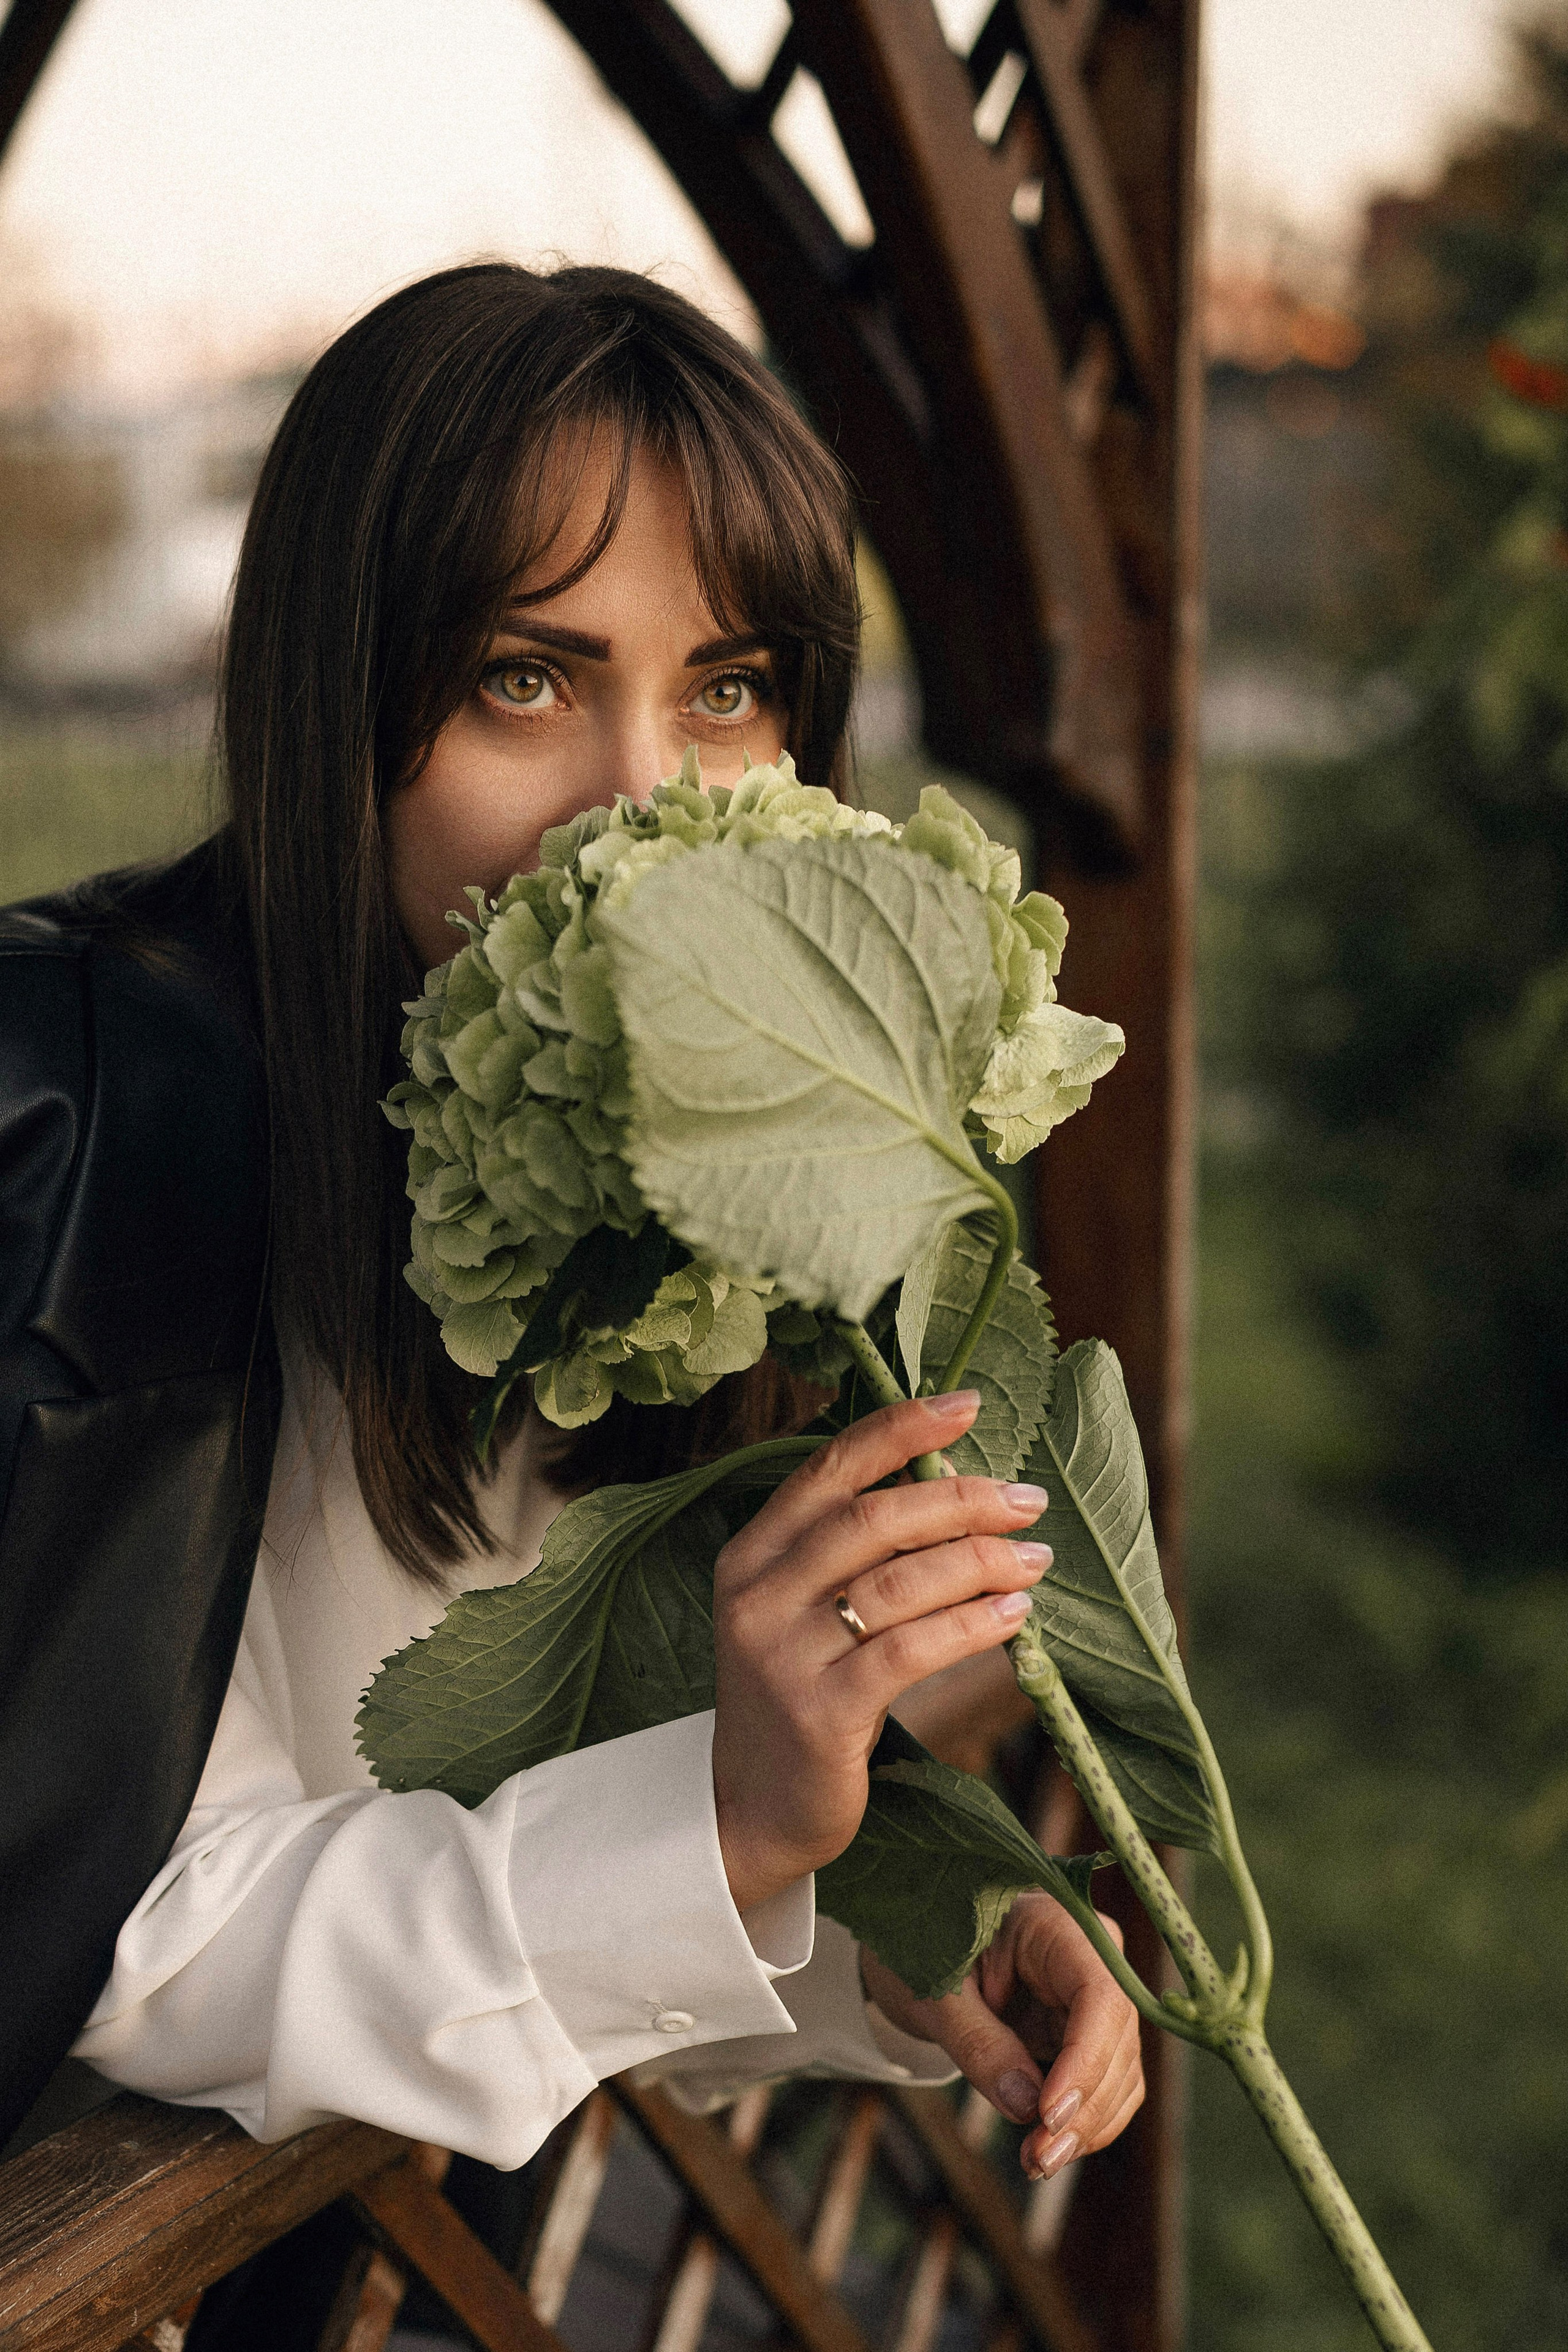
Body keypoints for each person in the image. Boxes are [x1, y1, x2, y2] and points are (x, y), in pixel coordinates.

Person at [0, 264, 1142, 2247]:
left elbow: (542, 1824)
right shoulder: (89, 1127)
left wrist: (876, 1928)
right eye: (525, 679)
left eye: (728, 689)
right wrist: (713, 1827)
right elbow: (131, 1935)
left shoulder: (699, 1163)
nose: (640, 802)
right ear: (338, 702)